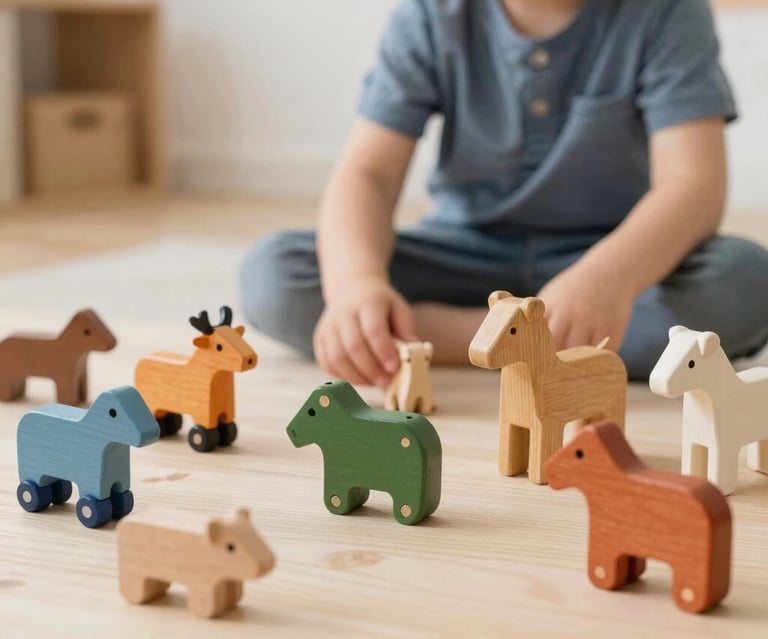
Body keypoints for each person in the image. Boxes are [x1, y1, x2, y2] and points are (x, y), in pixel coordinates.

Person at [239, 0, 768, 384]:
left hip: (606, 260)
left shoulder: (667, 12)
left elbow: (692, 186)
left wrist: (605, 281)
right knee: (276, 273)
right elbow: (368, 174)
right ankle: (515, 343)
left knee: (744, 282)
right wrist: (356, 287)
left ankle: (428, 341)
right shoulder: (431, 14)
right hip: (464, 254)